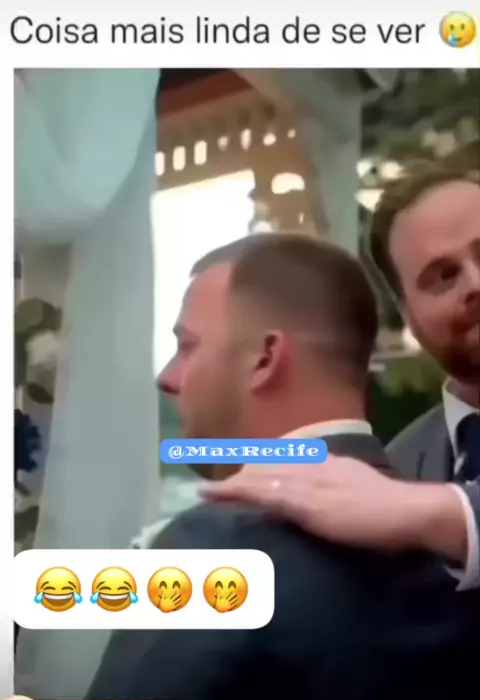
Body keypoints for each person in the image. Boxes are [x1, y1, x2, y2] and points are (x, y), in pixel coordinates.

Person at [88, 234, 479, 700]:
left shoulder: (217, 546)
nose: (167, 378)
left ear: (266, 358)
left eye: (188, 347)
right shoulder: (451, 550)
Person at [204, 164, 480, 589]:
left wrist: (442, 514)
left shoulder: (396, 498)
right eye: (444, 276)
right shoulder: (397, 466)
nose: (475, 283)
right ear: (408, 314)